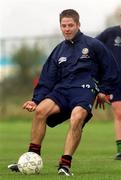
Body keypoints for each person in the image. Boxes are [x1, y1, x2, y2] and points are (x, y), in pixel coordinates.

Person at [8, 9, 119, 176]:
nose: (67, 29)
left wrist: (104, 91)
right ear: (60, 27)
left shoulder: (93, 45)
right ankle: (32, 158)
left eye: (70, 25)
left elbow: (111, 68)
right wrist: (36, 100)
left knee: (76, 118)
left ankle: (64, 165)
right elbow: (47, 78)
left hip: (84, 91)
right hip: (62, 91)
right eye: (63, 26)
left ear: (78, 25)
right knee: (40, 111)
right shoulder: (58, 50)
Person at [96, 25, 121, 160]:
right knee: (119, 111)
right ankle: (120, 150)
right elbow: (94, 47)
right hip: (115, 81)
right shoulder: (110, 33)